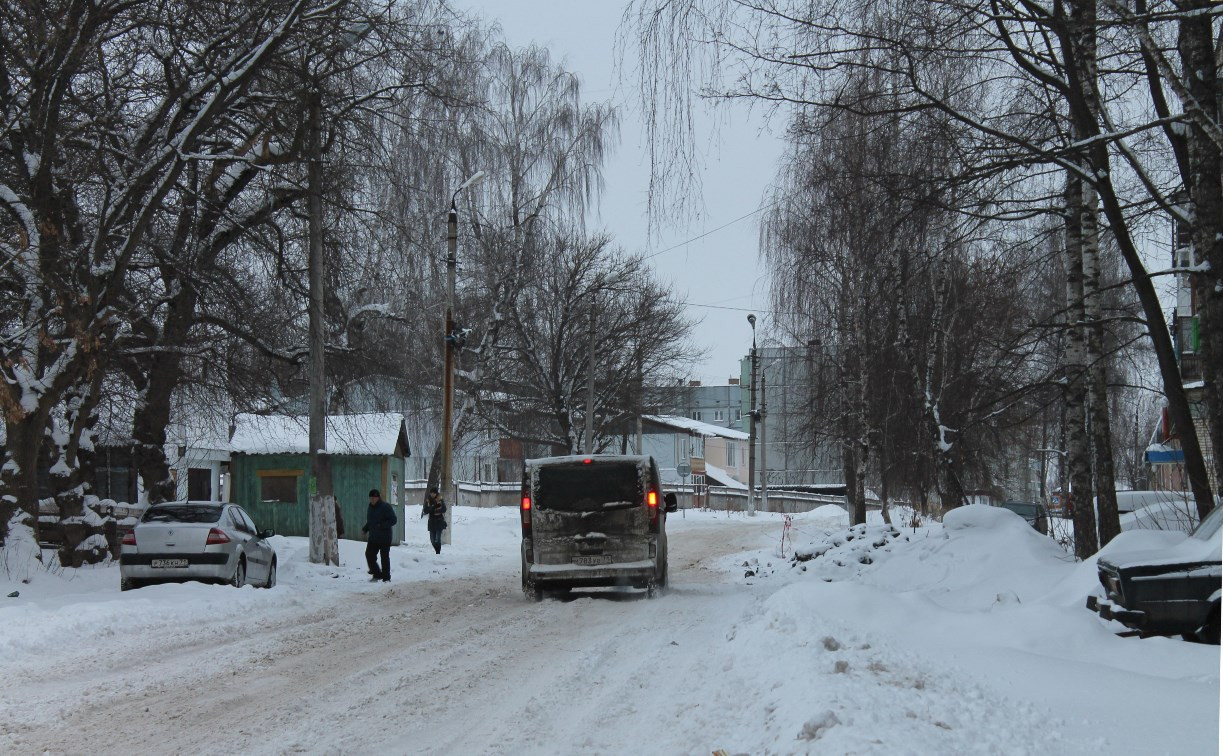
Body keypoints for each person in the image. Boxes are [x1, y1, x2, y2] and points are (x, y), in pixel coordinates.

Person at [361, 488, 396, 582]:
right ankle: (377, 574)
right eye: (371, 498)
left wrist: (382, 525)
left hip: (385, 537)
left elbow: (393, 520)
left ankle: (386, 578)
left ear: (378, 498)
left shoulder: (385, 507)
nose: (372, 500)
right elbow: (371, 521)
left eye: (374, 498)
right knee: (369, 555)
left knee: (384, 557)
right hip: (374, 537)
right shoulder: (370, 508)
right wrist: (366, 528)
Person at [421, 488, 447, 554]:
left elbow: (444, 509)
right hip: (431, 522)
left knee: (437, 539)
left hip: (439, 521)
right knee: (432, 540)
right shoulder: (428, 500)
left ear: (436, 493)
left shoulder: (440, 499)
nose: (432, 494)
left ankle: (438, 553)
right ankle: (437, 551)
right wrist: (431, 508)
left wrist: (435, 510)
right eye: (431, 493)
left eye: (433, 493)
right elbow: (425, 510)